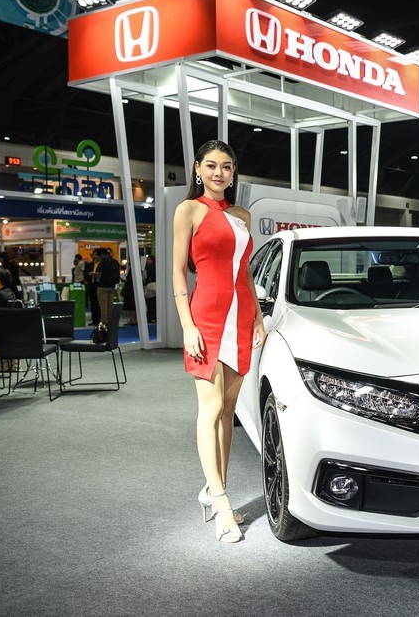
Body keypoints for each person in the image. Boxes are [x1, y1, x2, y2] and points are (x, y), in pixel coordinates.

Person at [173, 140, 265, 544]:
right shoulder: (188, 210)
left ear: (233, 172)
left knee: (229, 410)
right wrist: (187, 325)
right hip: (207, 318)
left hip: (241, 318)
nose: (219, 173)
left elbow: (245, 273)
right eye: (211, 165)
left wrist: (258, 316)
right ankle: (222, 501)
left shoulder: (242, 216)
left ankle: (215, 488)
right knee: (210, 410)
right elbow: (178, 271)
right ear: (198, 169)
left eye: (226, 166)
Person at [93, 248, 121, 326]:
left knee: (103, 305)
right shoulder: (115, 261)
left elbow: (99, 274)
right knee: (110, 305)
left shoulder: (102, 262)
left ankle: (104, 321)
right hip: (112, 286)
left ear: (102, 255)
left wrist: (94, 274)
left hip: (102, 286)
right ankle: (110, 320)